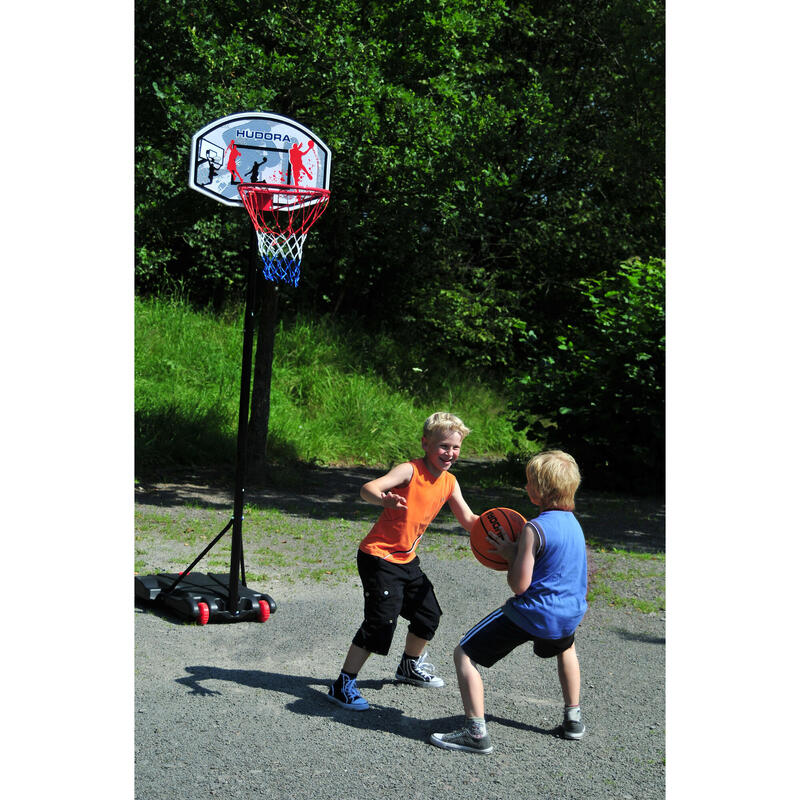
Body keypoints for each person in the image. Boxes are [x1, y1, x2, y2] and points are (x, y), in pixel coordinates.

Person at [430, 450, 588, 753]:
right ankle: (573, 718)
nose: (526, 487)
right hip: (569, 613)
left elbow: (519, 585)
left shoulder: (534, 529)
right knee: (566, 647)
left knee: (464, 653)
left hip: (533, 612)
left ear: (541, 490)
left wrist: (509, 555)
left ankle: (475, 733)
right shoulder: (574, 525)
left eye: (529, 482)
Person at [326, 412, 480, 711]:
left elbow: (469, 520)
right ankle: (342, 685)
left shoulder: (449, 482)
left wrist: (504, 529)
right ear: (426, 444)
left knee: (428, 613)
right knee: (381, 621)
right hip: (378, 557)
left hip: (406, 560)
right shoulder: (409, 471)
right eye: (443, 446)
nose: (449, 453)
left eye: (455, 448)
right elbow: (368, 488)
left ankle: (408, 666)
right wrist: (383, 499)